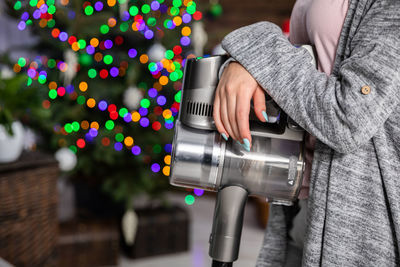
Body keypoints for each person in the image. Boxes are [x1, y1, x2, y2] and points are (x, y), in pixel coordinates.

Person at [213, 0, 400, 266]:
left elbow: (348, 119)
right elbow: (302, 64)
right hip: (302, 205)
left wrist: (258, 50)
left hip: (358, 223)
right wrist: (244, 65)